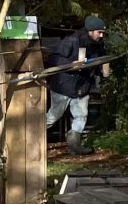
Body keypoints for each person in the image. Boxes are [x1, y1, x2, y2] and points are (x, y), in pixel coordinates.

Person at [45, 15, 111, 154]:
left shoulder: (99, 44)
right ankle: (31, 139)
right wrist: (70, 65)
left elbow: (100, 61)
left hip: (82, 86)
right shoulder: (71, 41)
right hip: (64, 85)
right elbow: (54, 58)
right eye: (99, 32)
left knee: (81, 116)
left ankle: (74, 146)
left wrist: (104, 71)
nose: (101, 35)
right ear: (90, 31)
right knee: (53, 116)